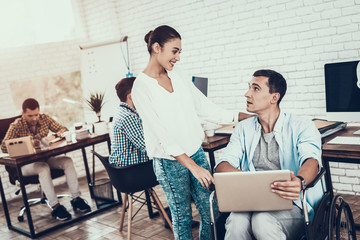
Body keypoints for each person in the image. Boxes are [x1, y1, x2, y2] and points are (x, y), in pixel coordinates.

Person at [131, 25, 252, 240]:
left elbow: (204, 107)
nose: (177, 58)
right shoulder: (141, 87)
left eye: (179, 52)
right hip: (170, 162)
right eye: (174, 51)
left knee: (211, 213)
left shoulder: (177, 74)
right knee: (183, 218)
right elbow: (162, 135)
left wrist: (242, 116)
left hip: (195, 152)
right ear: (157, 48)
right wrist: (194, 168)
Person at [215, 69, 323, 239]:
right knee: (236, 221)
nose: (247, 94)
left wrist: (299, 181)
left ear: (274, 97)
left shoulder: (302, 125)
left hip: (290, 203)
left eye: (255, 88)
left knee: (262, 219)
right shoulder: (243, 129)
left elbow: (311, 161)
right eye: (249, 87)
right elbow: (223, 165)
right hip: (250, 200)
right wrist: (248, 182)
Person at [1, 98, 91, 221]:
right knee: (43, 168)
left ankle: (76, 199)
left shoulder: (44, 118)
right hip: (24, 166)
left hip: (45, 158)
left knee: (67, 161)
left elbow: (63, 129)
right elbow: (4, 146)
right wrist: (28, 143)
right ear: (23, 113)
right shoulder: (16, 125)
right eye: (30, 115)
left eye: (36, 114)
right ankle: (56, 206)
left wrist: (53, 136)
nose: (34, 118)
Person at [109, 77, 149, 166]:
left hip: (128, 168)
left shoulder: (123, 111)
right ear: (131, 97)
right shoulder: (128, 117)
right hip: (131, 170)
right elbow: (147, 147)